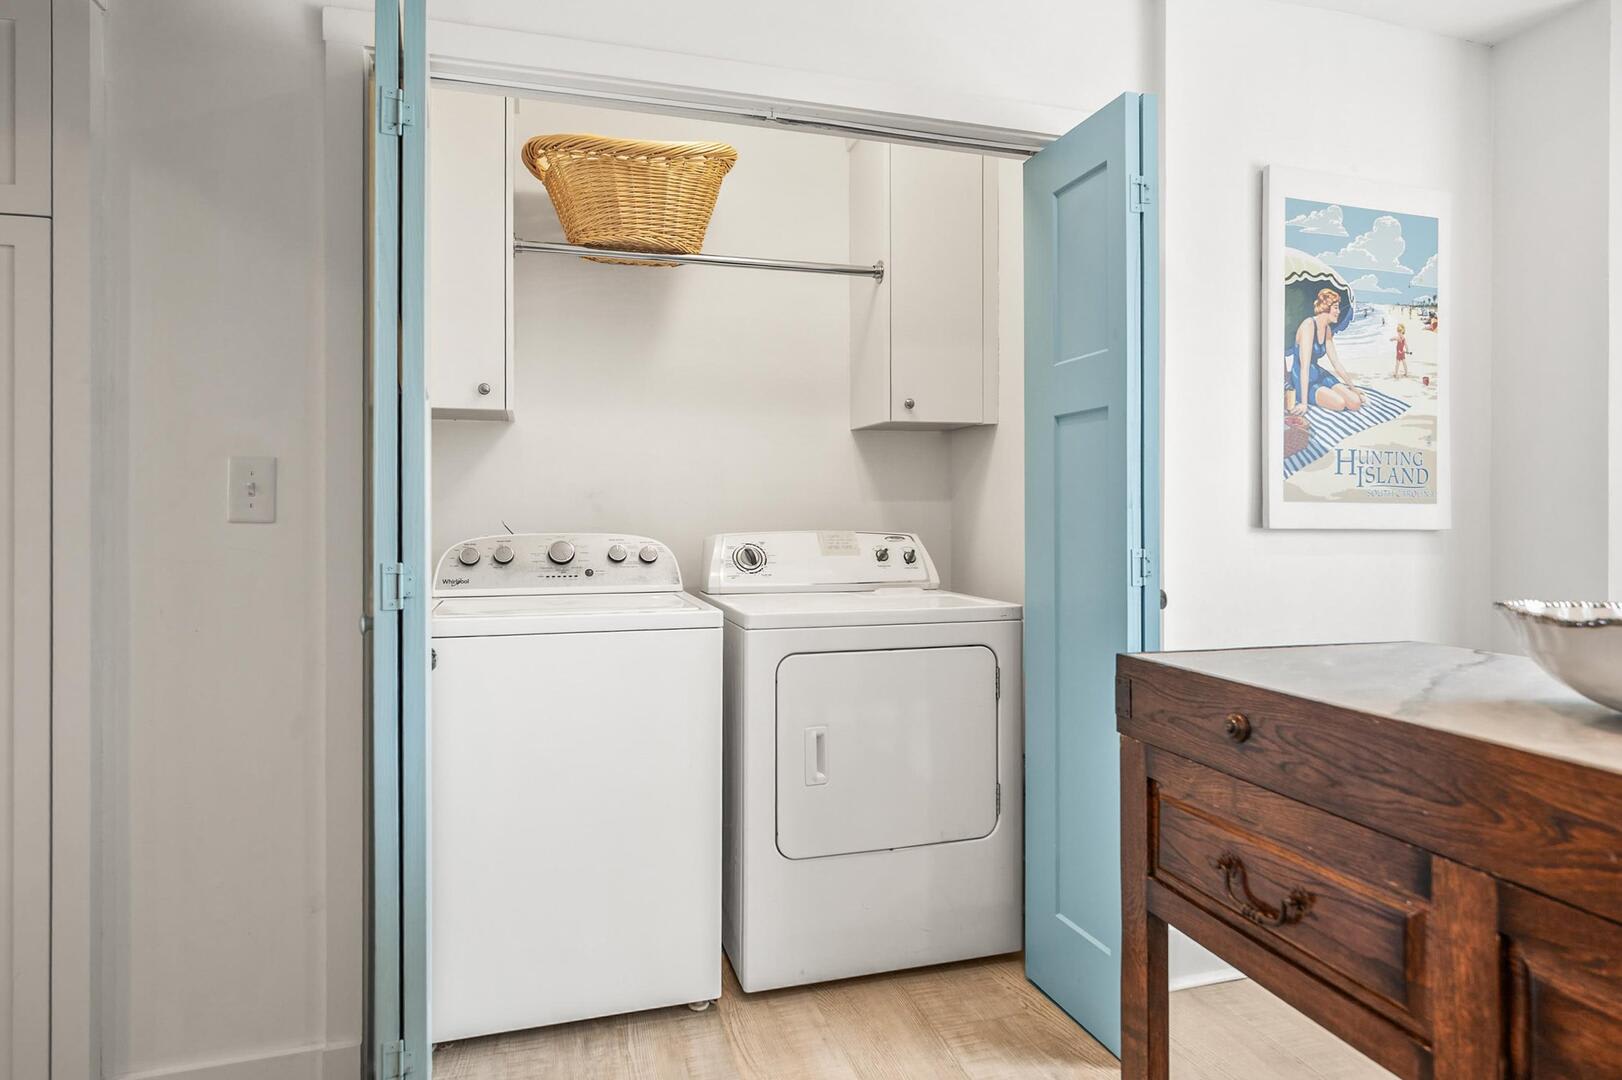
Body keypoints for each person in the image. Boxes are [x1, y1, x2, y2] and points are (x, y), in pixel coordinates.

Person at [1286, 288, 1365, 415]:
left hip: (1318, 372)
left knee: (1355, 403)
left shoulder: (1327, 329)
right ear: (1326, 307)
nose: (1339, 311)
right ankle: (1315, 396)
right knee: (1340, 403)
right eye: (1336, 307)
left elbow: (1336, 363)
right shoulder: (1308, 326)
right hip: (1303, 376)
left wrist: (1353, 388)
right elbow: (1304, 367)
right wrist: (1304, 403)